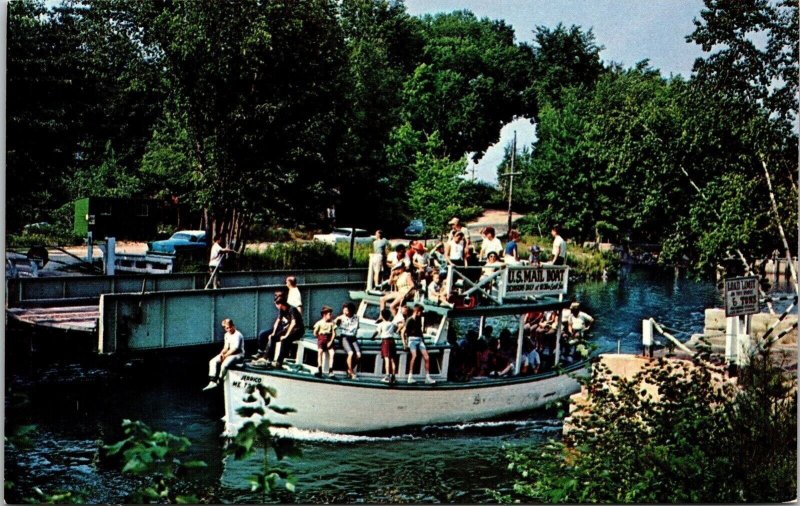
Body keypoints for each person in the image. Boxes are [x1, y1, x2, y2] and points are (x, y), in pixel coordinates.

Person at [256, 294, 305, 367]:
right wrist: (273, 333)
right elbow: (277, 321)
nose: (276, 306)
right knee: (273, 338)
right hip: (289, 328)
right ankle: (267, 358)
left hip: (298, 330)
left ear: (280, 304)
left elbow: (293, 323)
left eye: (276, 305)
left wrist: (286, 335)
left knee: (285, 340)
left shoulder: (292, 309)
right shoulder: (281, 310)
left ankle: (279, 362)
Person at [203, 319, 245, 390]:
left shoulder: (238, 335)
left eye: (230, 327)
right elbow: (226, 347)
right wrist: (222, 354)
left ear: (233, 326)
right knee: (212, 361)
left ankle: (219, 381)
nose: (229, 329)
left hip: (238, 355)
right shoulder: (226, 335)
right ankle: (212, 381)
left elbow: (235, 349)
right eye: (227, 328)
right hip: (229, 354)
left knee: (224, 365)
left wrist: (225, 356)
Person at [401, 304, 436, 384]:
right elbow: (403, 332)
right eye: (421, 312)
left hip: (419, 340)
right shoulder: (409, 320)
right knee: (414, 356)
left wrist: (423, 341)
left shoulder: (419, 319)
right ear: (417, 311)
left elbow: (420, 331)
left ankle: (427, 377)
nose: (422, 313)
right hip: (412, 340)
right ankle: (410, 376)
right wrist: (404, 343)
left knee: (427, 357)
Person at [335, 302, 361, 379]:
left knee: (359, 355)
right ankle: (351, 371)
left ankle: (350, 368)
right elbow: (334, 325)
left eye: (346, 310)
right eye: (344, 310)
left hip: (353, 337)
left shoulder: (356, 317)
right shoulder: (340, 318)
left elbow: (357, 327)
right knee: (351, 353)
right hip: (344, 337)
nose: (345, 312)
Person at [373, 308, 398, 383]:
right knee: (393, 359)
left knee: (387, 358)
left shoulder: (381, 324)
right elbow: (396, 329)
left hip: (385, 341)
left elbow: (377, 332)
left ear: (382, 316)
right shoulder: (392, 324)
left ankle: (387, 376)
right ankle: (393, 376)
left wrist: (372, 337)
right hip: (392, 341)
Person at [312, 306, 336, 377]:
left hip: (329, 339)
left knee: (332, 353)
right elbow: (315, 332)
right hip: (322, 338)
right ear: (324, 315)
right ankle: (319, 369)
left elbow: (334, 333)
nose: (331, 316)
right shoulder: (319, 323)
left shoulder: (332, 323)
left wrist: (331, 341)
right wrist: (319, 337)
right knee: (320, 352)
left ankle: (331, 370)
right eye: (329, 314)